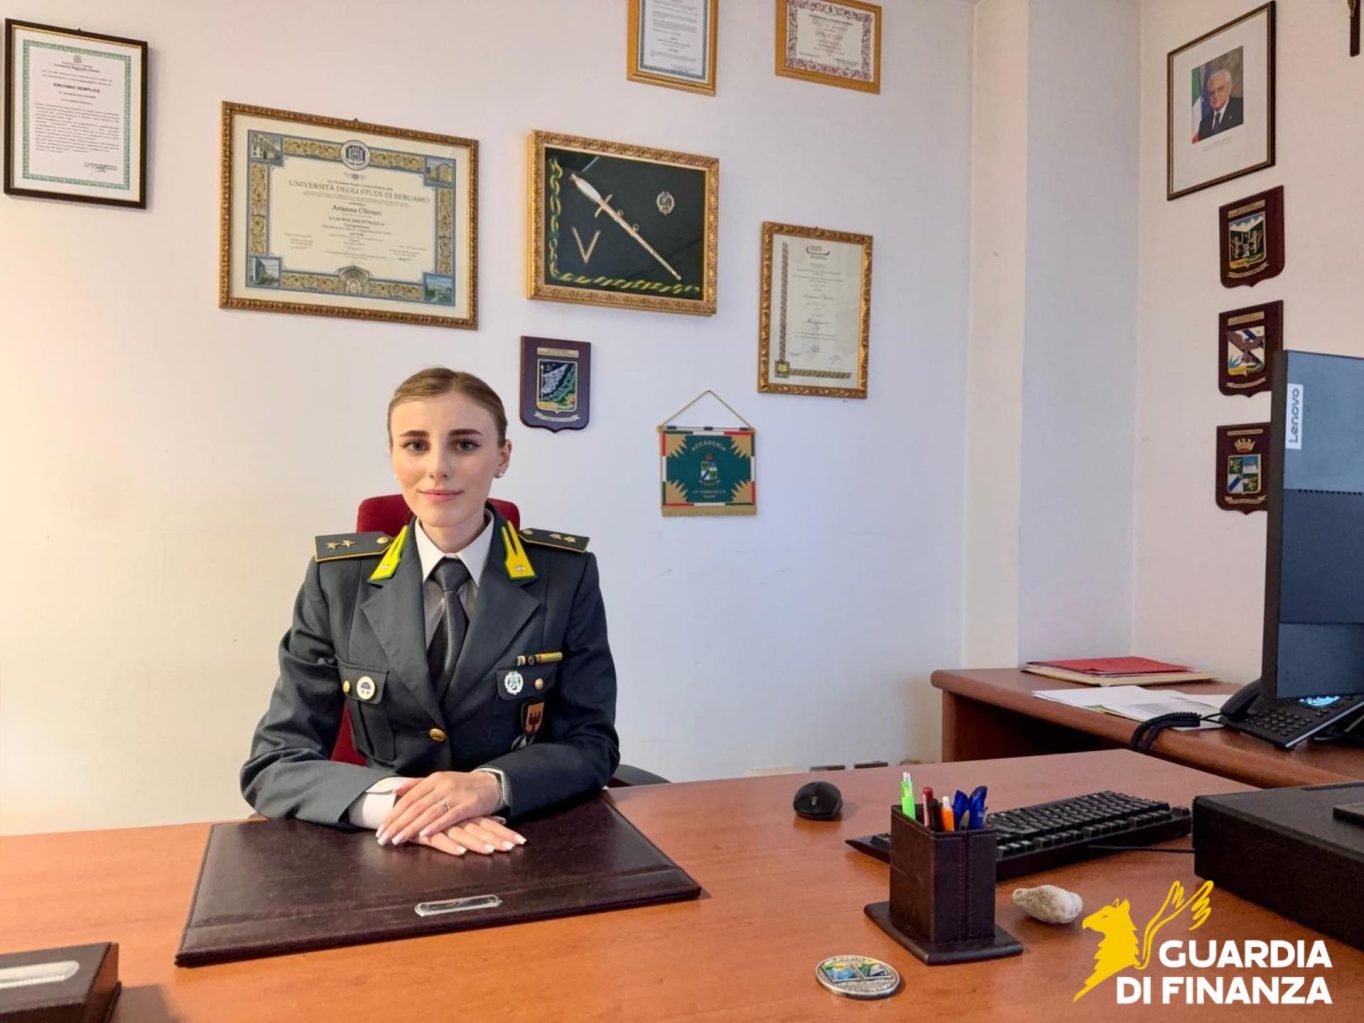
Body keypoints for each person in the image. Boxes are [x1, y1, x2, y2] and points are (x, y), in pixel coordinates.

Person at [241, 368, 619, 857]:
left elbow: (592, 743)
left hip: (522, 839)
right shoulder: (338, 581)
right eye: (416, 445)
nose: (438, 467)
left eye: (465, 445)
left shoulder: (564, 577)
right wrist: (401, 808)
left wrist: (492, 785)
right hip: (381, 847)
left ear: (502, 457)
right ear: (393, 456)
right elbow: (275, 762)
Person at [1198, 68, 1243, 140]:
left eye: (1220, 89)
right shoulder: (1204, 124)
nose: (1215, 96)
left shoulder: (1241, 107)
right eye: (1212, 92)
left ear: (1229, 88)